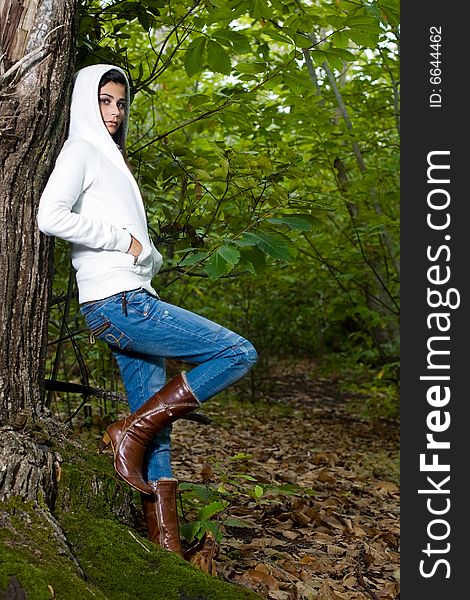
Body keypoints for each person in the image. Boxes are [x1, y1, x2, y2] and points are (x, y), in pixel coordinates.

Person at [37, 64, 258, 557]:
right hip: (119, 303)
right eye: (103, 101)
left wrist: (147, 254)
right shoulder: (81, 150)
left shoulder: (112, 159)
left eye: (119, 102)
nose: (114, 112)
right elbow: (50, 215)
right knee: (237, 352)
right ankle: (128, 432)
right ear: (83, 103)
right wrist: (122, 240)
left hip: (128, 296)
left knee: (156, 424)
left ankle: (166, 550)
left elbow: (135, 243)